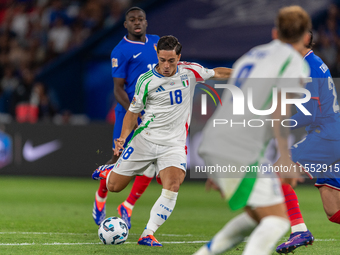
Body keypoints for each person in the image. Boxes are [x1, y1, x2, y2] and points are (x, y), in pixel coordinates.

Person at [92, 35, 232, 246]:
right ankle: (108, 172)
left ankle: (148, 233)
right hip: (145, 140)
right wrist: (122, 137)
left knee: (173, 184)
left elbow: (218, 73)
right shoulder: (146, 80)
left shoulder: (191, 71)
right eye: (162, 60)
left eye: (171, 61)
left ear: (179, 57)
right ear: (157, 55)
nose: (166, 66)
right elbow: (132, 112)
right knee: (114, 186)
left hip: (173, 144)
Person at [194, 5, 311, 255]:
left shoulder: (251, 55)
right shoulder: (294, 63)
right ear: (306, 38)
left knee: (258, 214)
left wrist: (219, 159)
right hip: (241, 148)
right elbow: (280, 110)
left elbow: (231, 101)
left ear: (274, 33)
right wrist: (285, 156)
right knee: (278, 219)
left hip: (217, 138)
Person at [92, 6, 160, 228]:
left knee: (151, 162)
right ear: (126, 24)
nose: (137, 22)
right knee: (118, 162)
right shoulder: (120, 51)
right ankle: (101, 197)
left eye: (141, 18)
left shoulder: (157, 42)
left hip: (153, 115)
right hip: (128, 114)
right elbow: (118, 89)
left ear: (146, 22)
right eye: (132, 19)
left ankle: (127, 206)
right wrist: (135, 110)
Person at [276, 31, 340, 253]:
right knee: (333, 210)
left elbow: (310, 115)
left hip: (326, 134)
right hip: (331, 132)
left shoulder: (309, 66)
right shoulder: (311, 62)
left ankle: (299, 230)